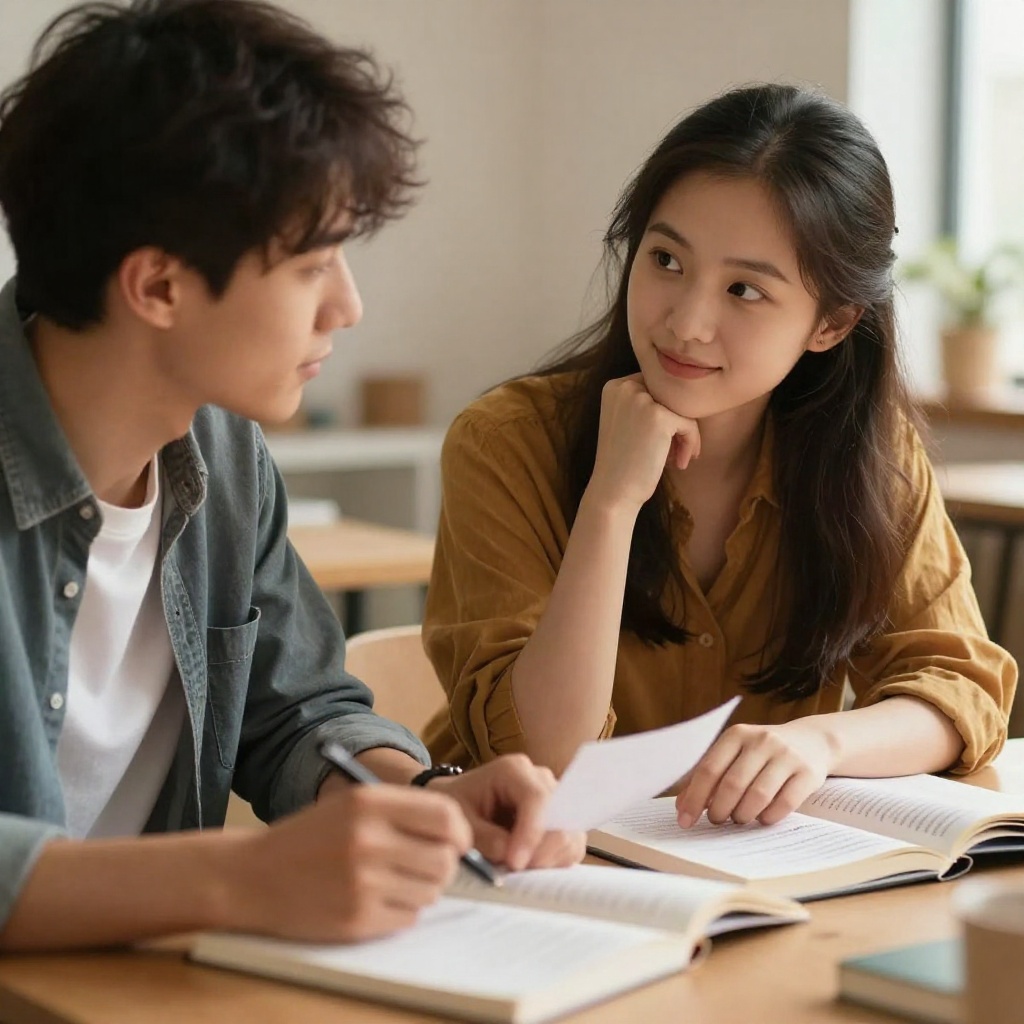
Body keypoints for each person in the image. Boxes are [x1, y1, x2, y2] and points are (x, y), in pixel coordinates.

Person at [0, 0, 584, 953]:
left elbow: (297, 711)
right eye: (313, 264)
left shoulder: (223, 456)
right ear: (156, 285)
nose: (348, 306)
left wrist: (424, 797)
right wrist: (239, 876)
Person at [422, 83, 1018, 830]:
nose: (687, 323)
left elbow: (961, 688)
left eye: (744, 289)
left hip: (748, 877)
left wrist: (822, 740)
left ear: (831, 323)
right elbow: (549, 760)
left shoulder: (870, 455)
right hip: (520, 876)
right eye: (666, 260)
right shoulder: (505, 443)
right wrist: (611, 501)